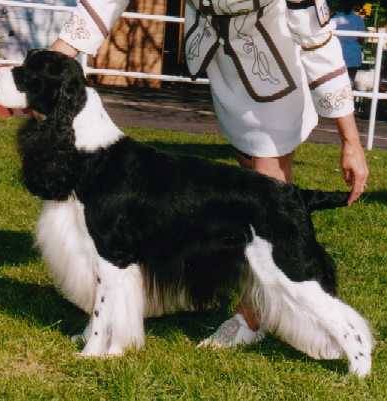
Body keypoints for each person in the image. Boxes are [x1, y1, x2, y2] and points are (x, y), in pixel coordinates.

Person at [49, 0, 369, 346]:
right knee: (245, 186)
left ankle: (256, 317)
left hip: (273, 65)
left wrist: (349, 139)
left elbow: (316, 36)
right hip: (223, 61)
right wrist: (58, 53)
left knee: (269, 196)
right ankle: (247, 302)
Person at [332, 0, 366, 82]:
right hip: (353, 57)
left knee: (336, 82)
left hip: (336, 56)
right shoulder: (358, 19)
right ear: (353, 6)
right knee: (350, 82)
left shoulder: (334, 19)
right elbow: (362, 39)